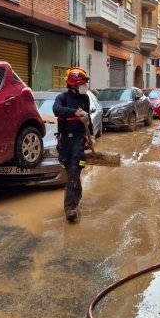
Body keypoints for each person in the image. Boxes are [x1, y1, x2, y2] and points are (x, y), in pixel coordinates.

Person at [53, 67, 94, 221]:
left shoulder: (85, 99)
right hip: (64, 140)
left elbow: (88, 118)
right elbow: (56, 110)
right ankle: (77, 193)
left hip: (78, 139)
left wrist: (92, 136)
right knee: (70, 172)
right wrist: (75, 113)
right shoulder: (62, 98)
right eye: (82, 84)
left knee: (75, 168)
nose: (85, 86)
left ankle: (69, 208)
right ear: (74, 84)